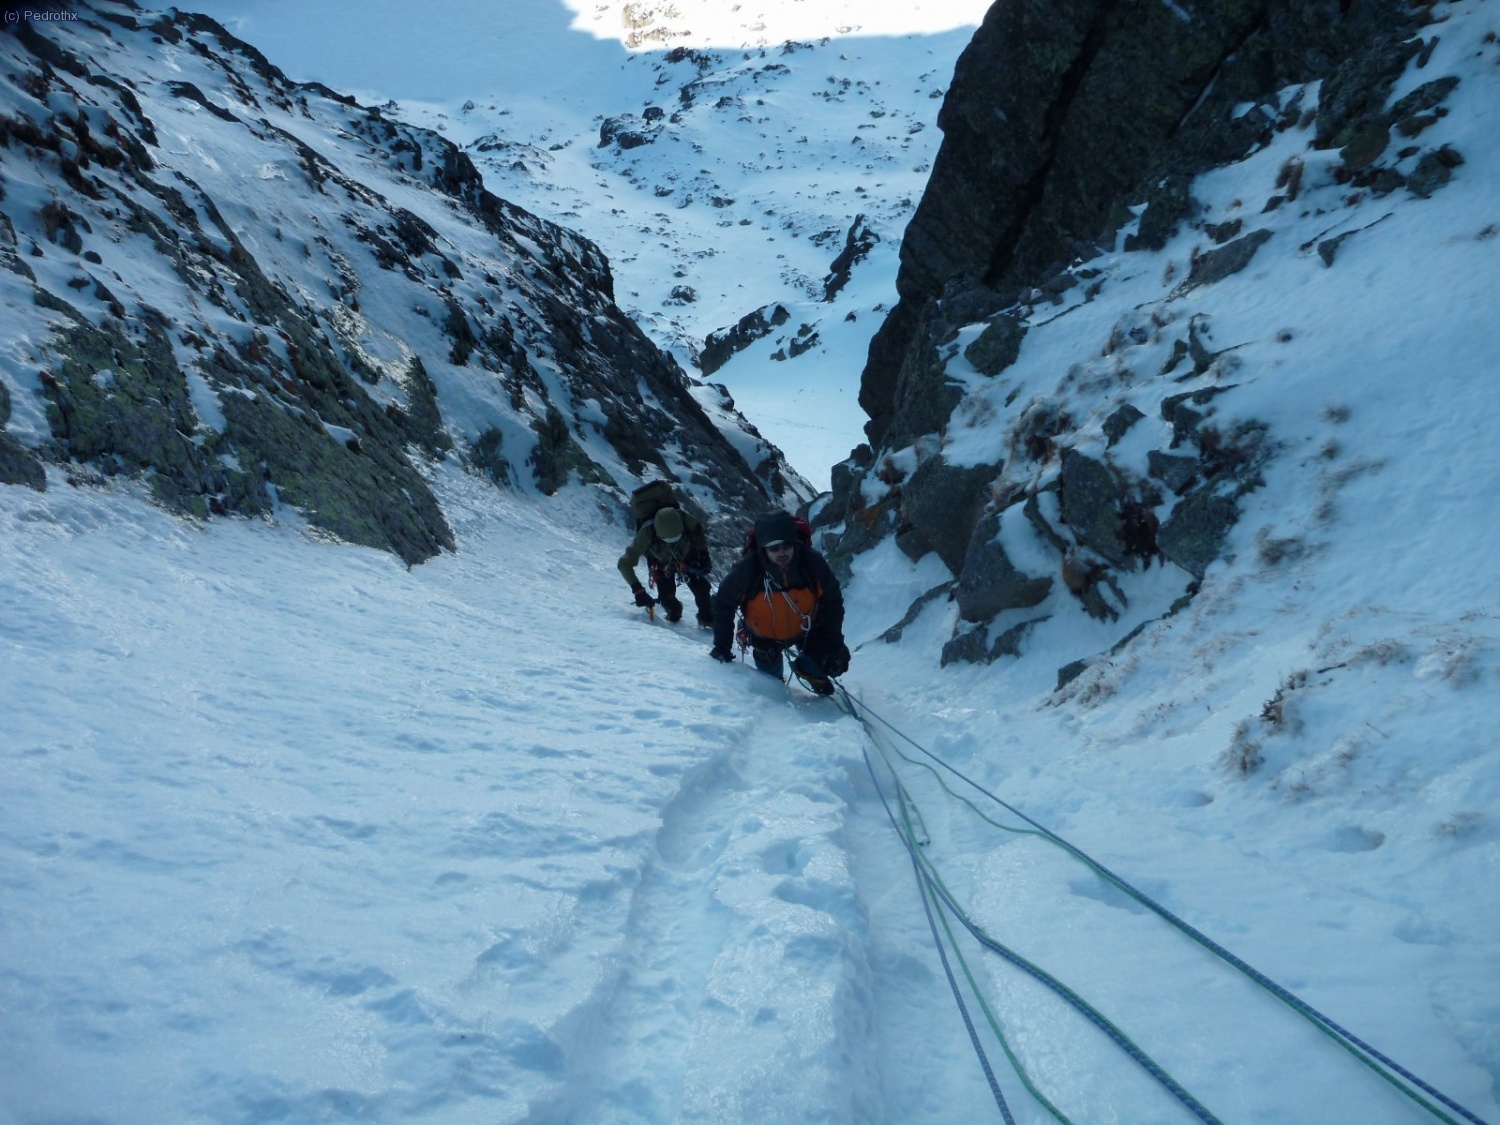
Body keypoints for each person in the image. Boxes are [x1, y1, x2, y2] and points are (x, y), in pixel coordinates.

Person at [709, 510, 850, 694]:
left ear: (794, 543)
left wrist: (835, 644)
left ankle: (812, 672)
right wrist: (722, 646)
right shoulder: (748, 570)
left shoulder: (812, 563)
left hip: (807, 631)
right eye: (774, 548)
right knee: (771, 687)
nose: (781, 552)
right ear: (763, 549)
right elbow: (723, 603)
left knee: (824, 657)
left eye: (786, 546)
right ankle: (779, 695)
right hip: (765, 638)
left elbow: (832, 602)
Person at [619, 505, 714, 626]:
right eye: (668, 539)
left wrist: (704, 555)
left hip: (686, 556)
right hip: (662, 563)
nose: (673, 541)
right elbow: (624, 563)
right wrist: (638, 590)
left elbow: (698, 534)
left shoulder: (687, 520)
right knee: (667, 598)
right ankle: (675, 611)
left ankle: (706, 617)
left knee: (702, 589)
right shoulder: (646, 534)